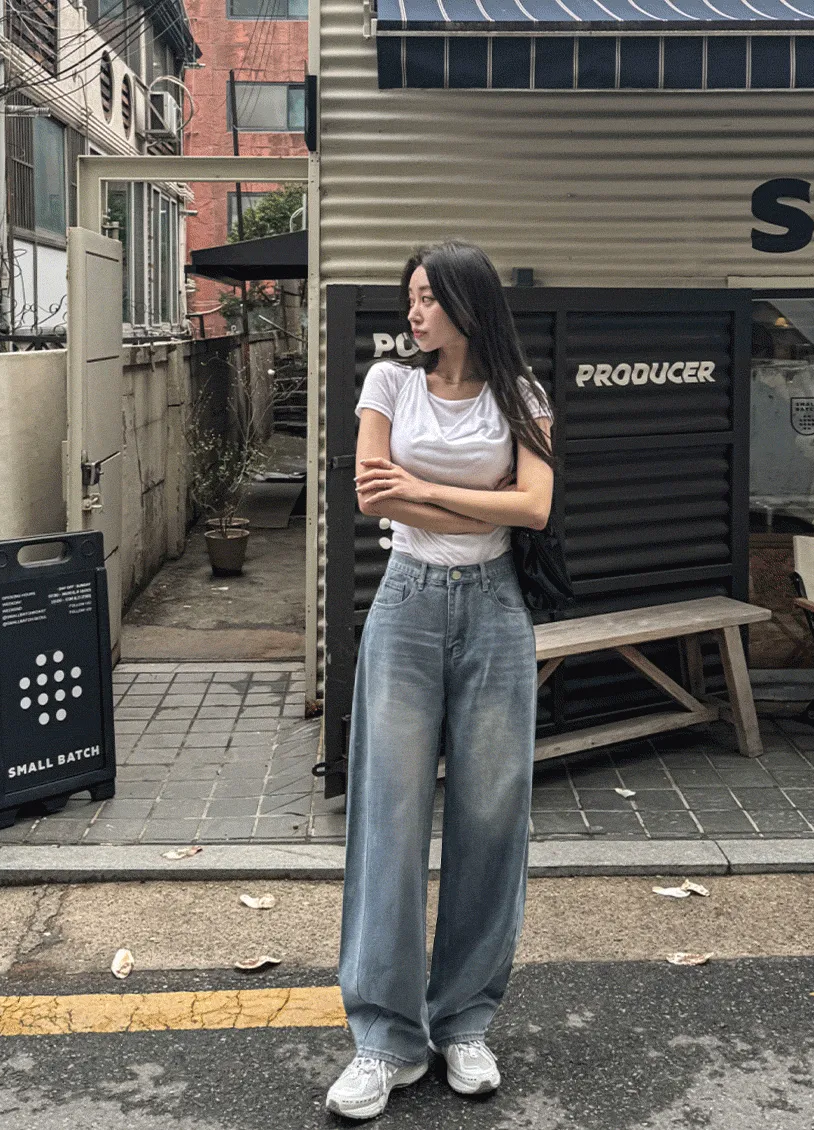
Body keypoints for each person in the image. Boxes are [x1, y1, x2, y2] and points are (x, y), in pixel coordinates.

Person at [325, 240, 554, 1121]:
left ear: (467, 303)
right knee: (388, 815)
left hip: (496, 612)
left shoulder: (522, 395)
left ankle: (464, 1023)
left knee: (491, 818)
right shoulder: (389, 384)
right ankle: (385, 1039)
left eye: (428, 297)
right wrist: (472, 500)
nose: (413, 312)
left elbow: (534, 507)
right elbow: (370, 497)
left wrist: (420, 486)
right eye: (410, 297)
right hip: (408, 605)